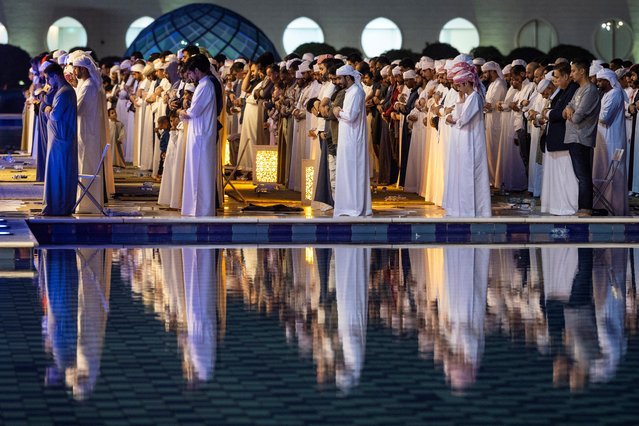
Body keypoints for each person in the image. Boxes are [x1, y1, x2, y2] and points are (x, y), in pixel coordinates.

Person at [442, 63, 491, 217]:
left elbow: (463, 120)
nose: (458, 89)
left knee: (471, 175)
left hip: (472, 142)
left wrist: (450, 118)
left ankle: (472, 210)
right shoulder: (468, 97)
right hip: (465, 141)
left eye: (459, 86)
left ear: (465, 83)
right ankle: (463, 208)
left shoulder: (475, 97)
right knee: (464, 175)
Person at [178, 55, 219, 216]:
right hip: (199, 133)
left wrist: (182, 112)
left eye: (189, 73)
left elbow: (194, 111)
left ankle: (201, 209)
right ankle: (196, 208)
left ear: (196, 70)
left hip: (201, 135)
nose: (189, 77)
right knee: (196, 171)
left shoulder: (205, 86)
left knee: (199, 172)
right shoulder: (204, 84)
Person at [332, 65, 372, 217]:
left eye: (339, 78)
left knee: (353, 174)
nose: (338, 81)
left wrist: (337, 111)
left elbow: (351, 116)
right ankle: (346, 206)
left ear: (348, 78)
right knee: (347, 173)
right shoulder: (350, 92)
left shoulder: (357, 92)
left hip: (353, 139)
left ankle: (355, 207)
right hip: (347, 138)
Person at [563, 59, 601, 216]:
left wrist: (570, 112)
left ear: (582, 71)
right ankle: (582, 208)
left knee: (583, 175)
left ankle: (585, 209)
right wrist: (568, 109)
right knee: (580, 175)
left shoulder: (590, 91)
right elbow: (567, 108)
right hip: (573, 137)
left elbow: (577, 117)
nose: (571, 74)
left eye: (572, 71)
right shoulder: (579, 89)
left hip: (582, 138)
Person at [540, 63, 579, 215]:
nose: (554, 80)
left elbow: (562, 113)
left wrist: (548, 113)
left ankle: (567, 207)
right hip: (556, 138)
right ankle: (557, 206)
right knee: (556, 176)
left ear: (565, 76)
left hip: (564, 138)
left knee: (566, 175)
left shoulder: (572, 90)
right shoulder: (564, 91)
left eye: (556, 76)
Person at [41, 63, 78, 216]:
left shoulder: (64, 92)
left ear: (56, 76)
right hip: (59, 139)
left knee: (59, 174)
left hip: (61, 140)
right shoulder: (63, 91)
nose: (48, 82)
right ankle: (57, 206)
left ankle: (58, 207)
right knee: (57, 173)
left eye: (49, 78)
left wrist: (47, 109)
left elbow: (55, 115)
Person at [593, 68, 628, 215]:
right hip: (604, 139)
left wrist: (590, 113)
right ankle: (602, 206)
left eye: (600, 81)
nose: (598, 83)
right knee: (603, 171)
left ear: (608, 81)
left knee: (613, 175)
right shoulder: (607, 94)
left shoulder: (615, 93)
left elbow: (604, 117)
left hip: (612, 140)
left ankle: (615, 207)